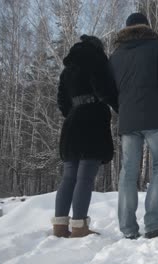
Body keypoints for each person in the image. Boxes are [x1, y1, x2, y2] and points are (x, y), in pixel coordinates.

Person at [110, 13, 158, 240]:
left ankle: (128, 229)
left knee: (128, 171)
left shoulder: (116, 55)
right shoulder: (156, 47)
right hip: (156, 117)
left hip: (129, 120)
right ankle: (153, 225)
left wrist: (123, 109)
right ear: (147, 27)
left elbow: (111, 90)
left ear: (126, 29)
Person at [51, 35, 118, 238]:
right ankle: (79, 226)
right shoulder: (96, 60)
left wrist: (73, 112)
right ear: (98, 48)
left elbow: (62, 101)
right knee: (85, 177)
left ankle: (60, 226)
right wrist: (118, 106)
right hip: (92, 122)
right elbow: (104, 90)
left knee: (69, 176)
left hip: (71, 123)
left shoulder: (67, 70)